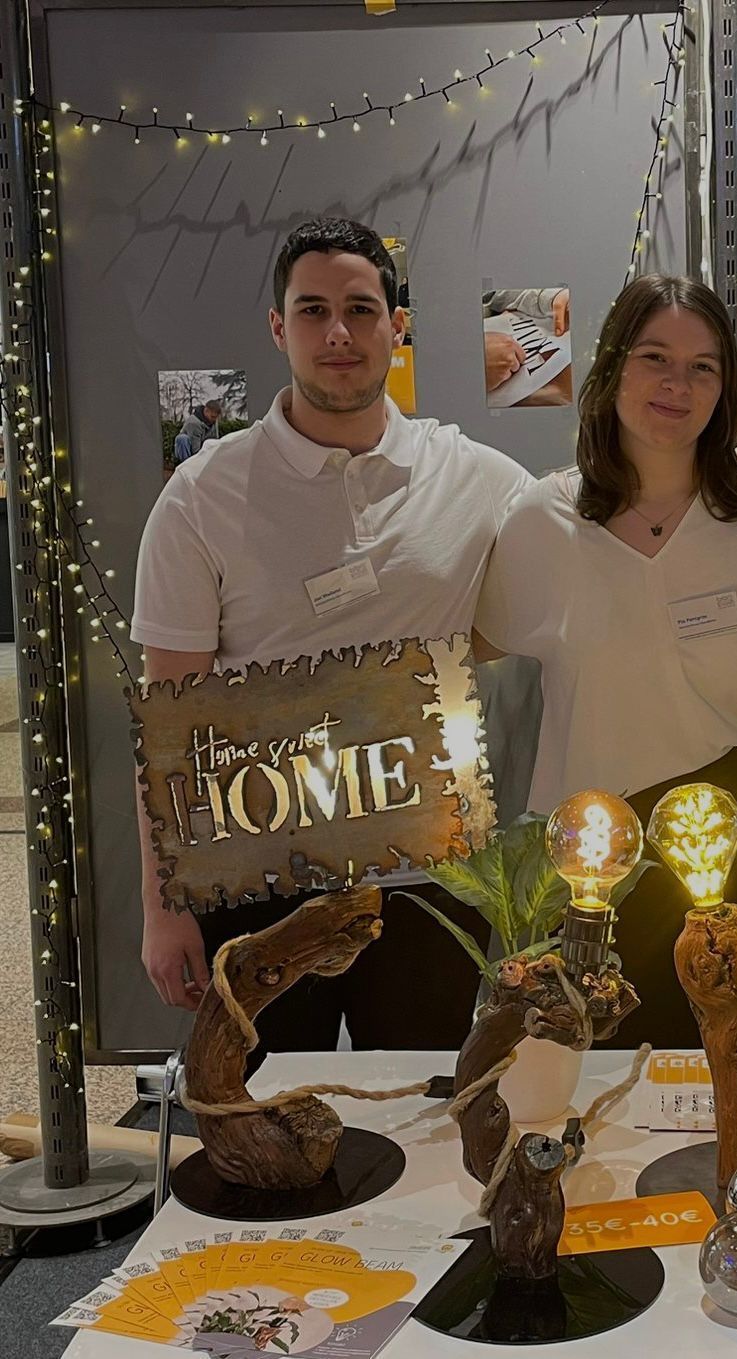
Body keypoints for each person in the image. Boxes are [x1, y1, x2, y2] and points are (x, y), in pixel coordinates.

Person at [131, 217, 535, 1057]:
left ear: (397, 325)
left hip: (428, 876)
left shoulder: (472, 477)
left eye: (359, 308)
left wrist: (734, 464)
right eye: (312, 310)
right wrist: (163, 909)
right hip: (260, 881)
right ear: (279, 329)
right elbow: (169, 720)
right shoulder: (202, 497)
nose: (338, 333)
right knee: (264, 1113)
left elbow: (595, 513)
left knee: (425, 1112)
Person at [475, 274, 737, 1048]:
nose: (678, 383)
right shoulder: (542, 519)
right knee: (609, 1076)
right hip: (604, 858)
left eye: (703, 366)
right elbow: (477, 643)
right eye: (655, 358)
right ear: (611, 368)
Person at [173, 399, 222, 467]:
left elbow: (215, 441)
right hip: (189, 450)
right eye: (213, 417)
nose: (214, 420)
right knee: (182, 438)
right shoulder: (194, 422)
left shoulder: (213, 420)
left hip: (201, 447)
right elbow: (195, 450)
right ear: (206, 411)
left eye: (216, 417)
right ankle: (186, 466)